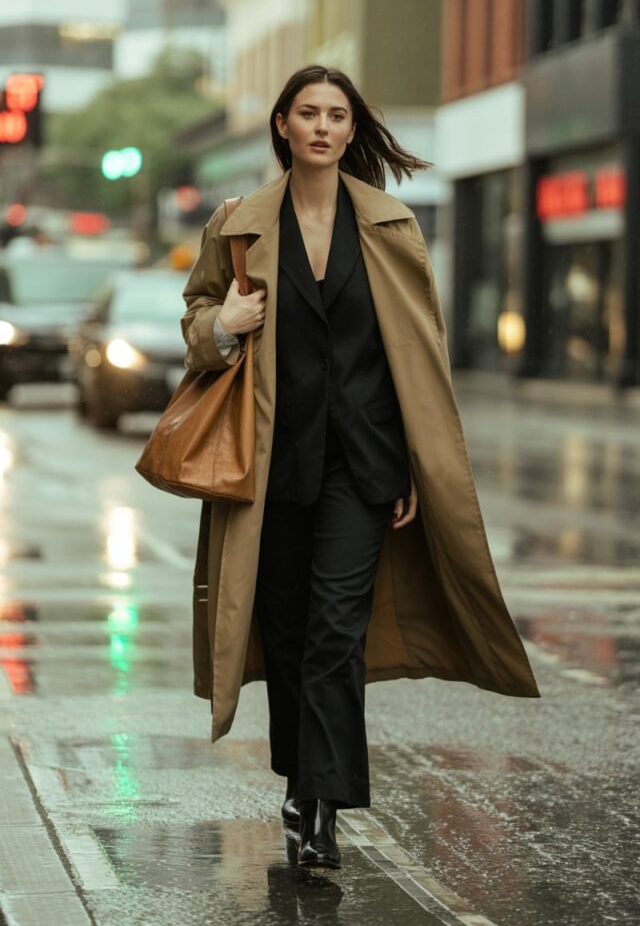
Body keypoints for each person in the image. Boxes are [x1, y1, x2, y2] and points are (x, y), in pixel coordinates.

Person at [181, 65, 539, 872]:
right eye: (306, 112)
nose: (321, 126)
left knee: (336, 633)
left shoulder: (388, 224)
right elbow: (197, 317)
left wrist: (412, 464)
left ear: (350, 131)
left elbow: (416, 357)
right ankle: (299, 779)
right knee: (289, 629)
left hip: (363, 467)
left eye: (336, 115)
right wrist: (226, 324)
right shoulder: (237, 224)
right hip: (267, 470)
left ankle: (321, 808)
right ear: (282, 126)